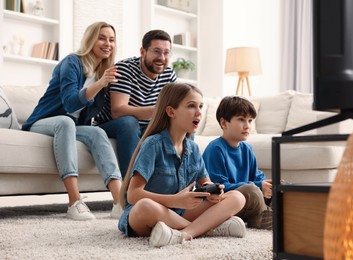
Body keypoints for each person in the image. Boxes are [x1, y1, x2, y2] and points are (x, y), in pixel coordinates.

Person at [118, 82, 247, 247]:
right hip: (148, 215)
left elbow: (205, 183)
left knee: (237, 197)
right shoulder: (153, 145)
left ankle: (186, 233)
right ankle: (209, 229)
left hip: (180, 213)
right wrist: (175, 200)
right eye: (191, 106)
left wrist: (213, 191)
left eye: (201, 106)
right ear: (171, 111)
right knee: (145, 206)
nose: (199, 112)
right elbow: (133, 195)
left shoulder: (193, 148)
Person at [22, 22, 122, 221]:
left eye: (111, 39)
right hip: (42, 122)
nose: (107, 43)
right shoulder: (72, 62)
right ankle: (74, 202)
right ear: (90, 39)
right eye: (101, 38)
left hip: (72, 126)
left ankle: (120, 203)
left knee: (98, 132)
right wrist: (101, 84)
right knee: (66, 122)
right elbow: (69, 104)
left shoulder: (103, 72)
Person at [94, 29, 176, 178]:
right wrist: (159, 111)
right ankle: (129, 190)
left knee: (183, 125)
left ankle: (180, 187)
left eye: (166, 53)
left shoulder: (168, 74)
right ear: (143, 52)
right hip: (112, 125)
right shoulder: (125, 69)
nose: (162, 58)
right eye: (156, 51)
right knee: (129, 123)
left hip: (147, 126)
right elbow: (118, 111)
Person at [202, 96, 273, 230]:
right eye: (241, 120)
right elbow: (219, 189)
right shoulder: (215, 149)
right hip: (229, 202)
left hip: (251, 200)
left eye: (250, 121)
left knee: (280, 186)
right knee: (251, 190)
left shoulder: (247, 149)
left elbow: (256, 176)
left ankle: (269, 214)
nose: (247, 126)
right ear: (224, 123)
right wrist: (257, 186)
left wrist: (266, 184)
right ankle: (261, 217)